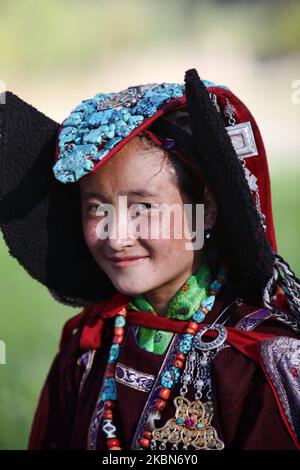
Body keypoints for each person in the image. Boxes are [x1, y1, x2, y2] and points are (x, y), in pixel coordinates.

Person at [0, 69, 299, 451]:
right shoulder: (88, 348)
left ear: (205, 208)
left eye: (142, 207)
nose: (117, 235)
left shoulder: (257, 362)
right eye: (96, 208)